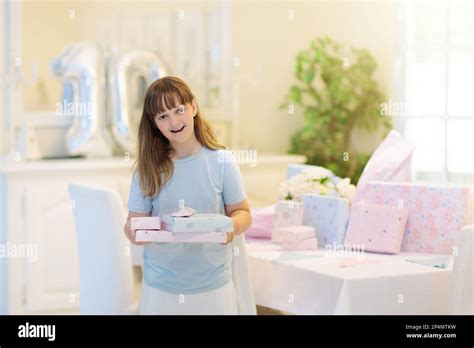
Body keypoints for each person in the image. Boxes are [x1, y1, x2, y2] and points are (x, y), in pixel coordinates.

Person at [124, 76, 252, 314]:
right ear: (155, 124)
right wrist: (136, 231)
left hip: (213, 285)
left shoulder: (221, 161)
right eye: (163, 116)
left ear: (193, 107)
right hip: (161, 285)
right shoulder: (147, 169)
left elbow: (243, 213)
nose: (174, 121)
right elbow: (131, 224)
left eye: (178, 110)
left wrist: (230, 227)